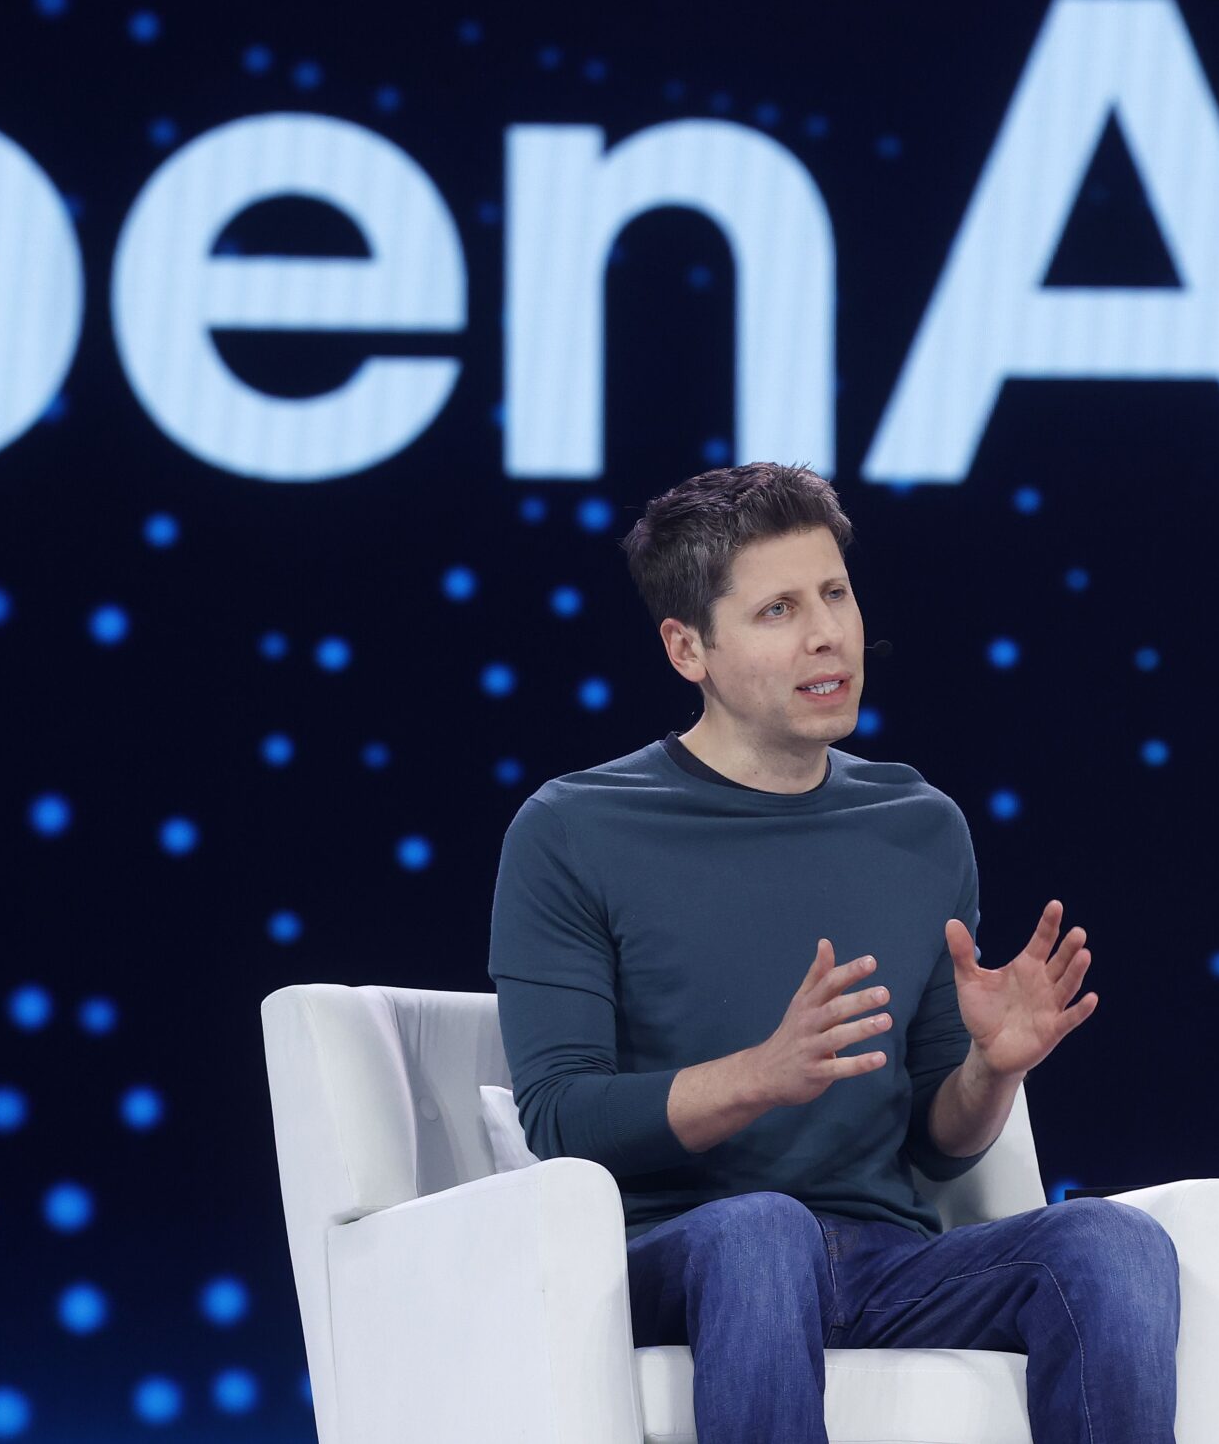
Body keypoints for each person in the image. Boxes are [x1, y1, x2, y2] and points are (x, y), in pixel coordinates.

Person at [487, 462, 1179, 1444]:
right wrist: (758, 1076)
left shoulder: (918, 823)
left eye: (834, 594)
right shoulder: (573, 828)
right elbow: (561, 1119)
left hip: (885, 1258)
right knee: (763, 1230)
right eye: (776, 609)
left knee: (1112, 1242)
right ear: (689, 647)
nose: (827, 635)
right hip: (672, 1253)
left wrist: (988, 1066)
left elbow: (936, 1144)